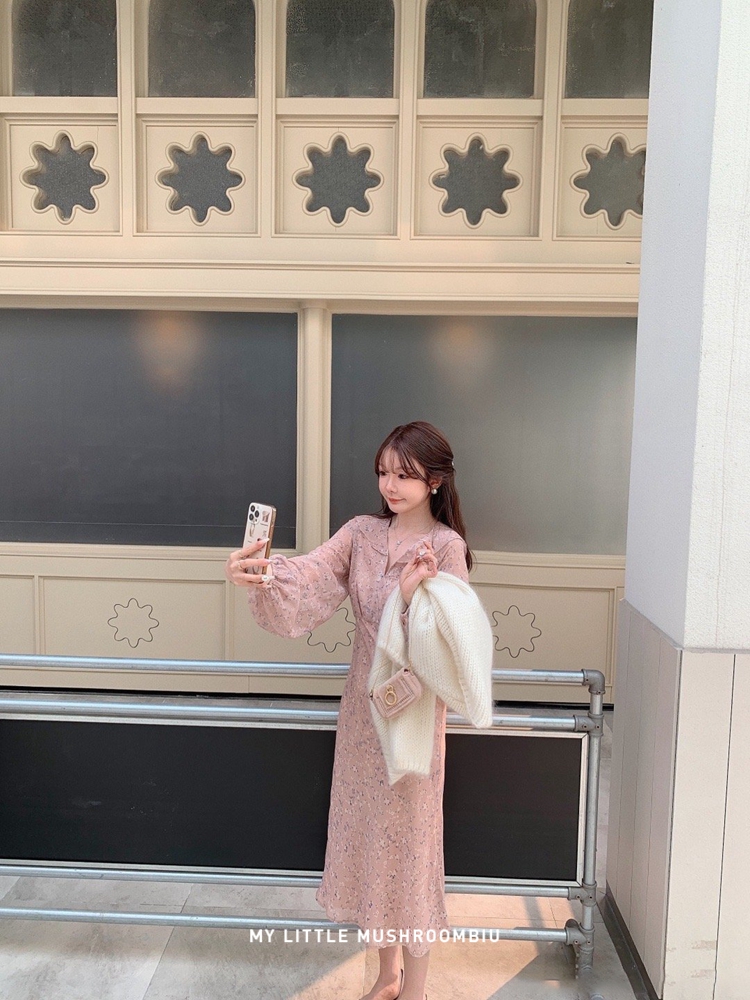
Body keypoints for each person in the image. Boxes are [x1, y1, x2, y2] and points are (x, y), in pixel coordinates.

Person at [225, 421, 474, 1000]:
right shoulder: (362, 533)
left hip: (413, 721)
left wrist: (410, 600)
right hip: (363, 718)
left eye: (405, 474)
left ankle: (416, 989)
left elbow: (450, 643)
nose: (390, 485)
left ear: (435, 481)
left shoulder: (446, 549)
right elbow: (311, 573)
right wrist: (261, 572)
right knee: (371, 844)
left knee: (411, 851)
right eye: (384, 472)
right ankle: (387, 977)